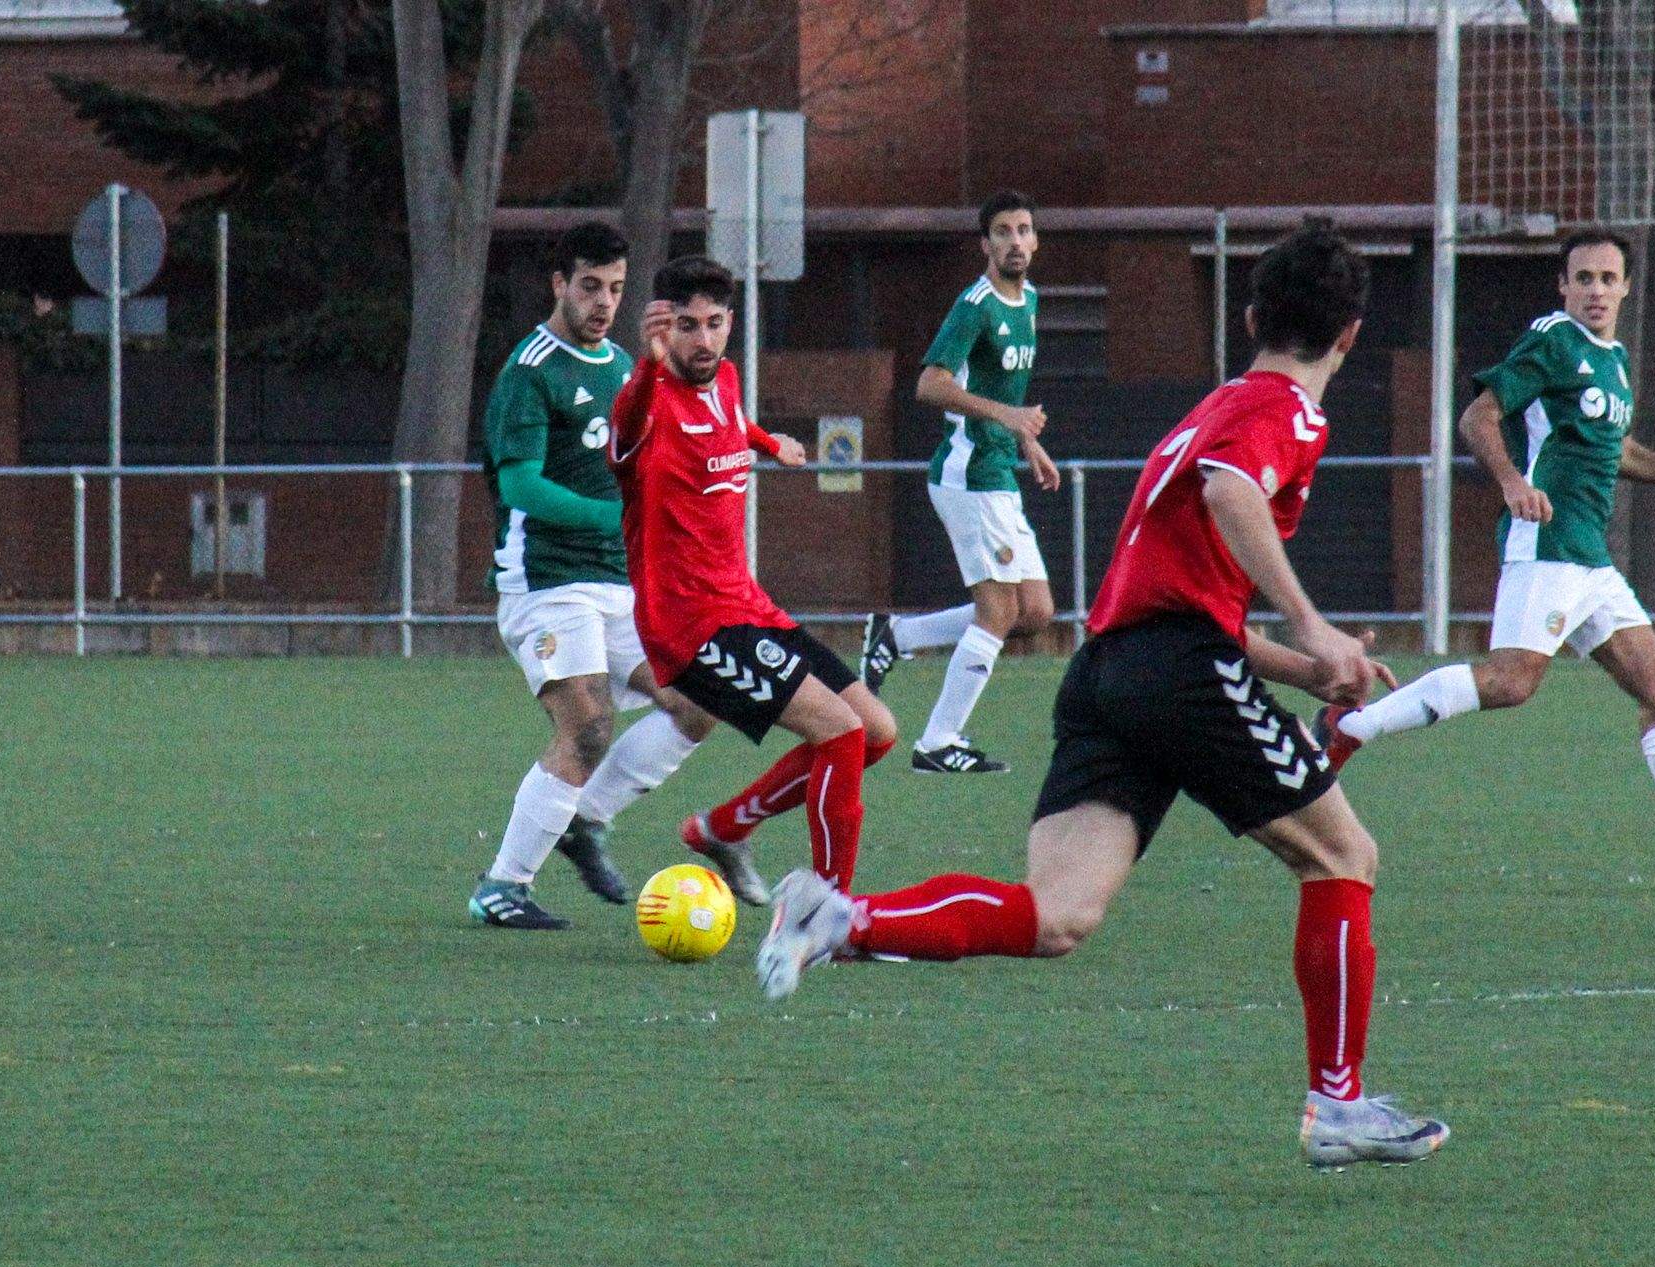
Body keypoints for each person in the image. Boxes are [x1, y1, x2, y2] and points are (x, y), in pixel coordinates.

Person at [756, 224, 1449, 1167]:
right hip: (1176, 671)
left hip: (1111, 671)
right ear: (1352, 335)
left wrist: (1309, 664)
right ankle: (1338, 1103)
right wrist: (1314, 624)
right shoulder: (1285, 410)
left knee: (1055, 916)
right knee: (1344, 855)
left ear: (1251, 318)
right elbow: (1233, 496)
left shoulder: (1214, 407)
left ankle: (841, 919)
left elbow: (1190, 599)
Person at [1318, 228, 1655, 896]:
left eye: (1608, 278)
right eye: (1584, 278)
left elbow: (1620, 451)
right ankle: (1350, 726)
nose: (1596, 290)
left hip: (1589, 559)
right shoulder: (1553, 339)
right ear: (1563, 285)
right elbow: (1478, 418)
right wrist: (1512, 482)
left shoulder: (1614, 360)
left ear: (1627, 288)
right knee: (1511, 682)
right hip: (1546, 545)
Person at [608, 254, 898, 905]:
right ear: (663, 328)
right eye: (687, 326)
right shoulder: (648, 403)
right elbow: (624, 433)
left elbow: (731, 423)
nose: (703, 340)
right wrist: (648, 365)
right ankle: (828, 916)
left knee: (876, 731)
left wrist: (770, 443)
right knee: (840, 731)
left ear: (730, 323)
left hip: (746, 604)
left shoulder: (728, 379)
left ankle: (725, 827)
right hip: (691, 626)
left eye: (714, 323)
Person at [469, 222, 715, 931]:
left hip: (618, 583)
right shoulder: (530, 370)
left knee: (699, 702)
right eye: (589, 286)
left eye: (615, 287)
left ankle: (584, 818)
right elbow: (519, 485)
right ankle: (503, 886)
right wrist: (614, 518)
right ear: (559, 285)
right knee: (587, 725)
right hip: (546, 583)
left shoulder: (622, 366)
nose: (604, 302)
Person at [858, 190, 1058, 775]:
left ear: (1035, 240)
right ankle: (938, 743)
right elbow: (930, 384)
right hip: (967, 475)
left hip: (997, 470)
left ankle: (897, 636)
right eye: (1003, 231)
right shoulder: (975, 306)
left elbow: (1004, 392)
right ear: (985, 244)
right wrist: (1008, 418)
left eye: (1023, 230)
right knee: (997, 610)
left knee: (1035, 612)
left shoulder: (1029, 300)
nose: (1015, 241)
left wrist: (1027, 440)